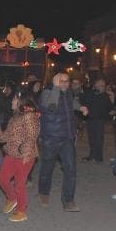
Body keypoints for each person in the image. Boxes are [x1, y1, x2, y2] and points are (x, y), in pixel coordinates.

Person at [0, 89, 40, 222]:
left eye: (14, 99)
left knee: (20, 185)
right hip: (11, 154)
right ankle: (13, 198)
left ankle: (22, 211)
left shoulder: (30, 116)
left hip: (24, 156)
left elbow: (32, 136)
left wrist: (26, 154)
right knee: (2, 179)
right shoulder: (15, 117)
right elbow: (6, 135)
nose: (11, 101)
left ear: (21, 101)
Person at [37, 73, 88, 212]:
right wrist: (55, 88)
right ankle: (44, 192)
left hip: (67, 138)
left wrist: (80, 107)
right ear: (55, 82)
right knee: (47, 168)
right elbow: (52, 107)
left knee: (71, 168)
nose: (65, 84)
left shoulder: (68, 93)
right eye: (62, 81)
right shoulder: (47, 93)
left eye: (67, 81)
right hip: (51, 138)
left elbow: (72, 103)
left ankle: (68, 200)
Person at [81, 78, 111, 162]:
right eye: (101, 86)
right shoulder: (89, 94)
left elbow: (109, 107)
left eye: (104, 86)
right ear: (96, 86)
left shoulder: (105, 95)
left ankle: (98, 157)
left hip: (99, 120)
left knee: (98, 139)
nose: (103, 87)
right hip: (90, 119)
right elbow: (83, 103)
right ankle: (92, 155)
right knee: (91, 138)